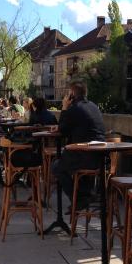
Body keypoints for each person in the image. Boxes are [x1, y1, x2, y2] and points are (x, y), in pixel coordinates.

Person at [52, 81, 106, 211]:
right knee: (70, 163)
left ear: (71, 95)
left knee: (57, 167)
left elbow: (63, 130)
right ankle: (86, 195)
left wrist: (64, 108)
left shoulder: (74, 109)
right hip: (100, 157)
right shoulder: (93, 106)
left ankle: (79, 199)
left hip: (85, 156)